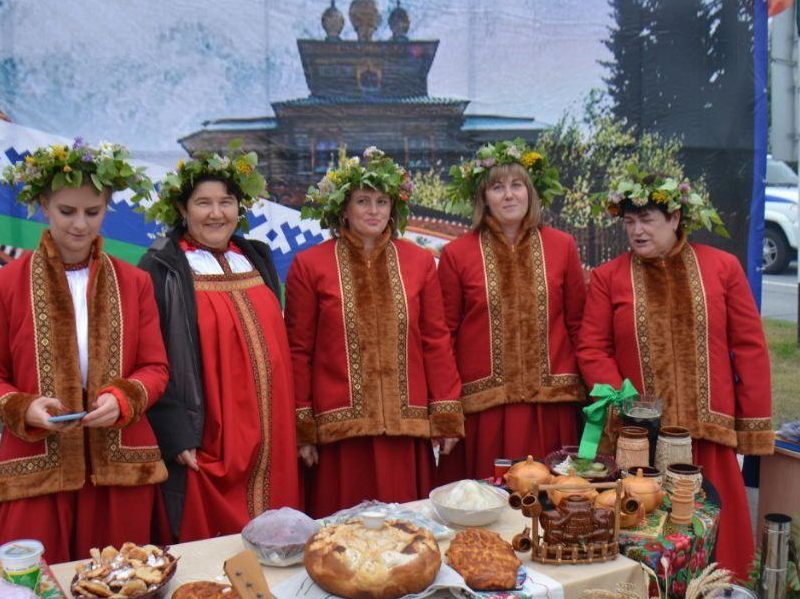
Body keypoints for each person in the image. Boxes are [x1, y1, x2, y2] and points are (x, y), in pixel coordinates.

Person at [0, 141, 169, 565]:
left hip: (121, 464)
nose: (80, 224)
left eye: (92, 212)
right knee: (33, 593)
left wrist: (122, 400)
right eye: (67, 211)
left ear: (107, 207)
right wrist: (25, 408)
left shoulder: (135, 282)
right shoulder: (2, 285)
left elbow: (155, 368)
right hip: (36, 462)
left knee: (123, 586)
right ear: (44, 204)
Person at [577, 169, 772, 578]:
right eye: (629, 222)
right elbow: (592, 347)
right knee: (645, 534)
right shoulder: (609, 278)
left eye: (647, 219)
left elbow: (749, 347)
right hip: (640, 442)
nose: (637, 231)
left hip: (708, 433)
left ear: (676, 218)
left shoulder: (722, 268)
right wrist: (624, 401)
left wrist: (752, 425)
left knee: (721, 541)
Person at [285, 147, 464, 518]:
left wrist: (445, 414)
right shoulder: (311, 264)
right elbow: (298, 350)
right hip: (340, 436)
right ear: (343, 209)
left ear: (393, 209)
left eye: (382, 201)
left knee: (405, 535)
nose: (373, 210)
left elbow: (436, 341)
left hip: (405, 431)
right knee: (343, 541)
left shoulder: (418, 262)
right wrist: (304, 428)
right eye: (362, 200)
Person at [140, 144, 301, 541]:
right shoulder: (163, 266)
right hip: (211, 432)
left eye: (226, 202)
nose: (216, 213)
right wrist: (176, 432)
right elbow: (151, 354)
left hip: (272, 429)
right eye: (203, 203)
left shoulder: (256, 256)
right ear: (182, 209)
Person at [435, 139, 586, 481]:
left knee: (554, 504)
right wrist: (447, 406)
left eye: (517, 185)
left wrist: (594, 398)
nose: (508, 195)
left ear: (530, 192)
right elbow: (444, 334)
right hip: (485, 412)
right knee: (489, 505)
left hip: (551, 408)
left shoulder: (562, 246)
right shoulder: (458, 253)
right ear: (483, 197)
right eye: (497, 187)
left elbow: (579, 325)